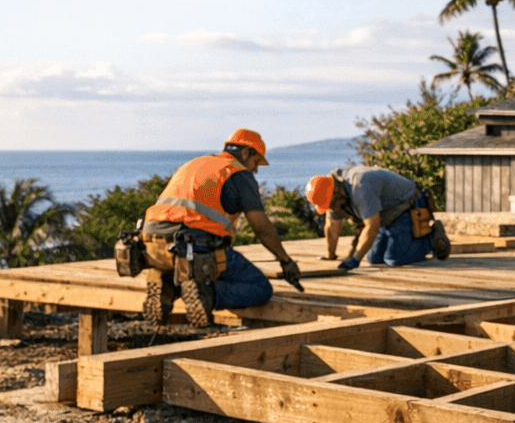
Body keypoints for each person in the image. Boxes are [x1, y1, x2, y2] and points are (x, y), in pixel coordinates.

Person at [140, 128, 303, 329]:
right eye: (256, 162)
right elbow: (262, 227)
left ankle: (169, 286)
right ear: (245, 153)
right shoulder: (238, 174)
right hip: (193, 247)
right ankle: (206, 294)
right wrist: (285, 261)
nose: (255, 169)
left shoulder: (195, 164)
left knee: (188, 263)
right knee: (260, 287)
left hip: (151, 245)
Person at [307, 165, 451, 269]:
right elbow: (332, 226)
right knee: (374, 258)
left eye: (329, 204)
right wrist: (330, 254)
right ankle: (405, 240)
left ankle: (429, 239)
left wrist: (355, 259)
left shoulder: (360, 187)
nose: (331, 209)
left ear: (335, 195)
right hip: (385, 214)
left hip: (407, 205)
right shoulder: (332, 190)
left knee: (394, 259)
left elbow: (371, 226)